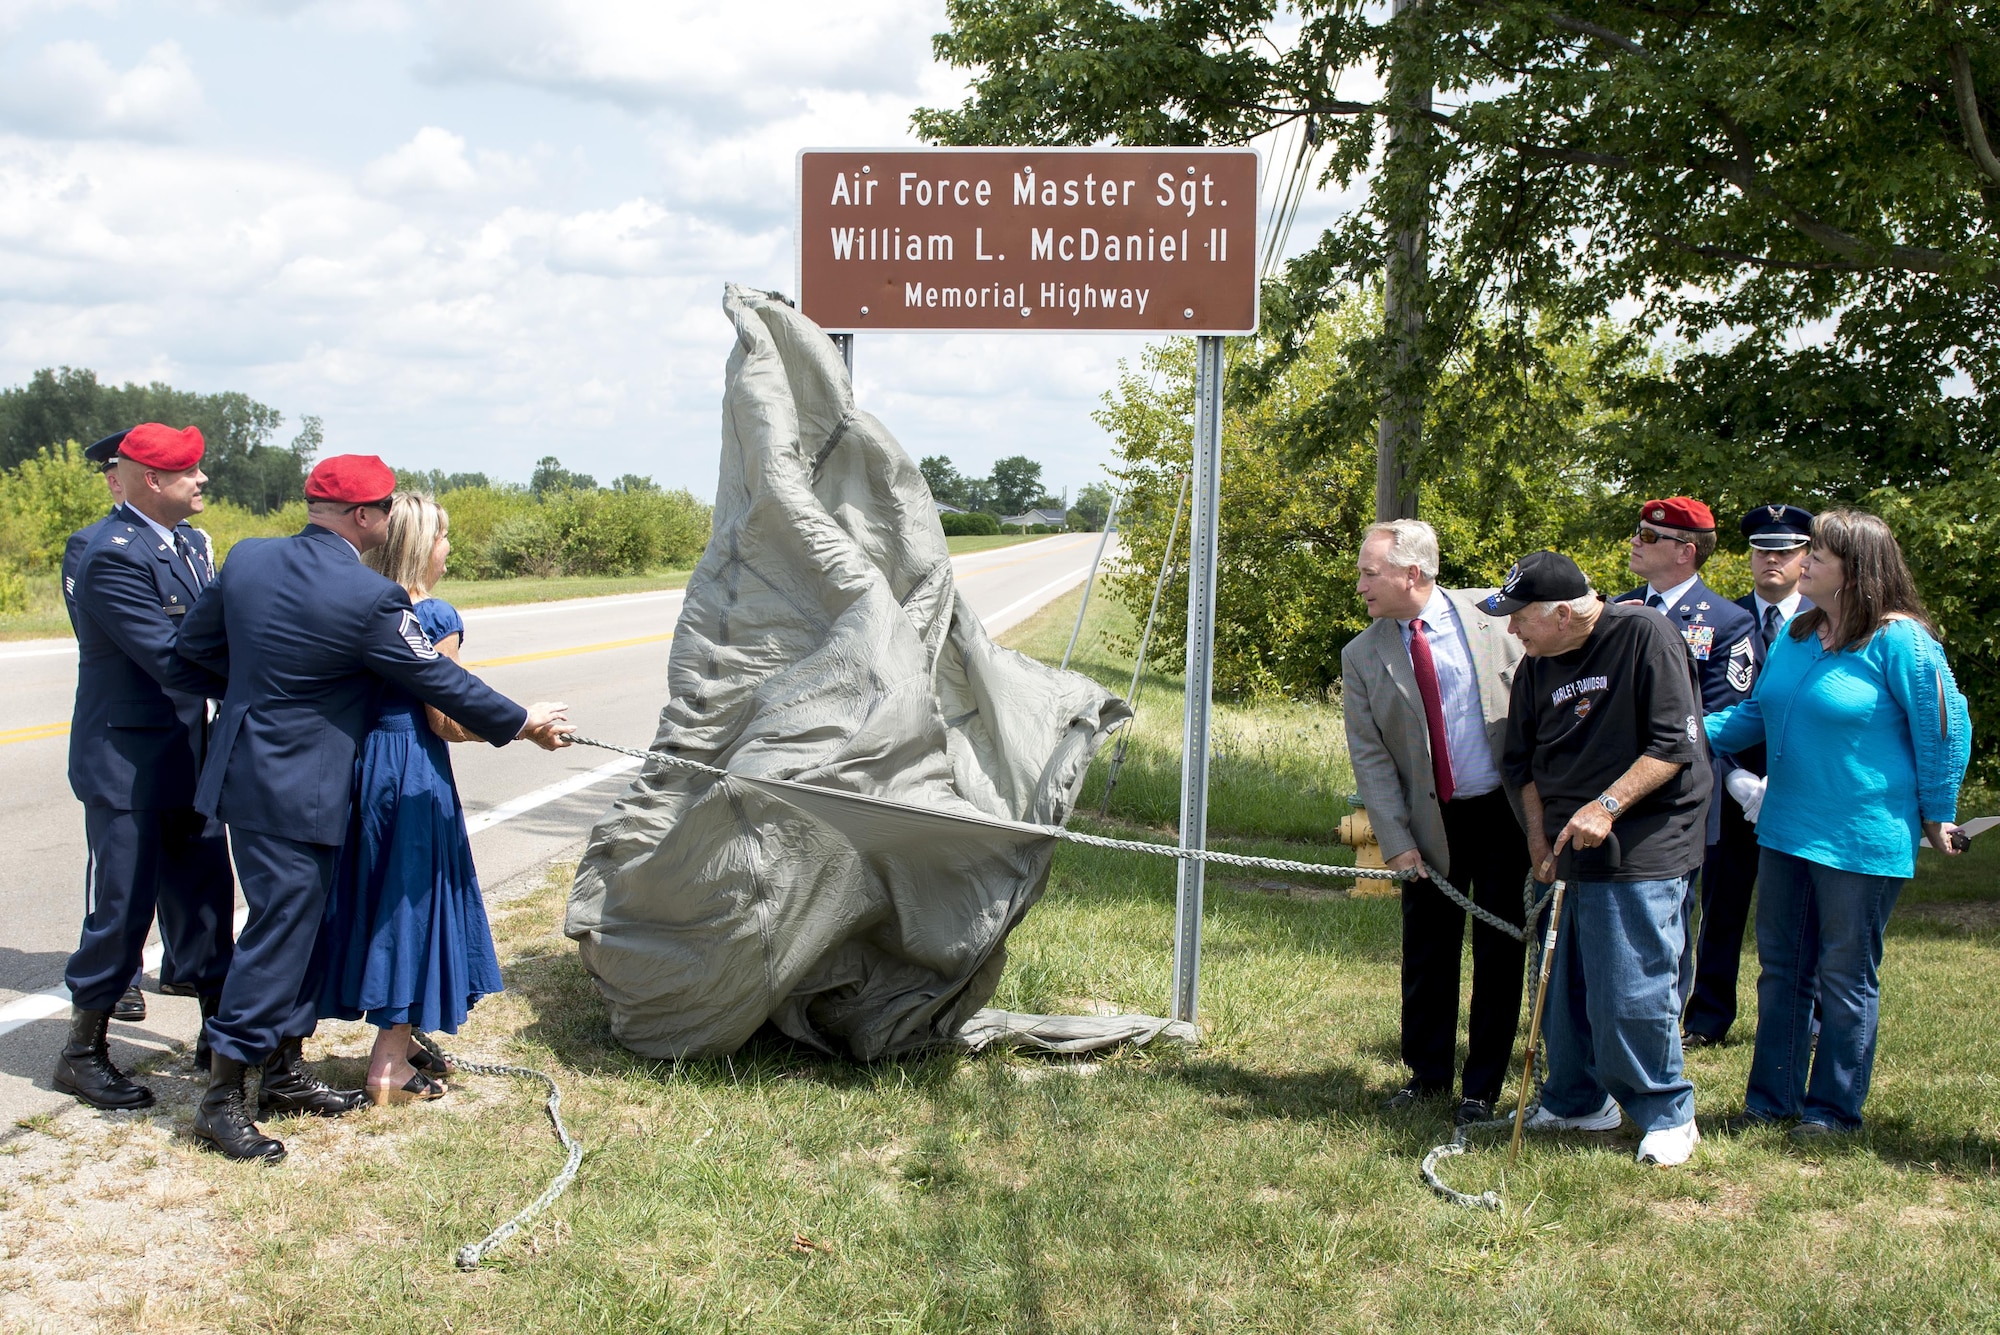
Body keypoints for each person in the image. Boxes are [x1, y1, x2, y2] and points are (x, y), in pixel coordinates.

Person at [177, 454, 573, 1163]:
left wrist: (265, 696)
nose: (389, 521)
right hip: (300, 785)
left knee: (300, 926)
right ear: (363, 517)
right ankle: (223, 1097)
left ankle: (286, 1073)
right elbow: (439, 680)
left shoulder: (247, 559)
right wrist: (523, 720)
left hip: (251, 771)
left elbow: (193, 653)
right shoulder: (367, 598)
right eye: (385, 508)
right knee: (279, 930)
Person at [1709, 510, 1970, 1141]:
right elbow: (1752, 716)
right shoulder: (1799, 633)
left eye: (1818, 557)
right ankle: (1771, 1102)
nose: (1805, 565)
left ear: (1855, 572)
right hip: (1786, 828)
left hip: (1861, 836)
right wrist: (1679, 737)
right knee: (1781, 969)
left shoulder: (1899, 640)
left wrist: (1938, 811)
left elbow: (1945, 725)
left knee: (1844, 977)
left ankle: (1831, 1111)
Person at [1482, 550, 1711, 1166]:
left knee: (1628, 984)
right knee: (1558, 985)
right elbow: (1524, 765)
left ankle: (1667, 1113)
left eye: (1519, 616)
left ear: (1562, 613)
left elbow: (1674, 745)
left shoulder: (1642, 635)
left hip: (1644, 838)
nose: (1510, 629)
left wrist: (1606, 805)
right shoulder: (1536, 665)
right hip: (1563, 840)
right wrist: (1536, 839)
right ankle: (1576, 1100)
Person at [56, 424, 236, 1110]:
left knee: (206, 898)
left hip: (187, 753)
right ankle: (82, 1051)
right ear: (150, 481)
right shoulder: (108, 553)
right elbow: (172, 655)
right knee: (123, 909)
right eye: (189, 471)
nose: (202, 480)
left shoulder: (189, 543)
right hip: (125, 761)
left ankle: (217, 1034)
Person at [317, 492, 508, 1105]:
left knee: (367, 898)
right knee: (413, 906)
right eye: (444, 538)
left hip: (357, 767)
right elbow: (447, 719)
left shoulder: (353, 605)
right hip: (410, 770)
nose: (449, 550)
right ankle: (389, 1064)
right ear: (422, 547)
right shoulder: (433, 614)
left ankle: (401, 1032)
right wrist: (528, 725)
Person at [1344, 520, 1532, 1127]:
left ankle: (1482, 1088)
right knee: (1428, 951)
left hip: (1504, 816)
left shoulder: (1498, 616)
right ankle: (1426, 1076)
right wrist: (1394, 843)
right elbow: (1370, 759)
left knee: (1500, 950)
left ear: (1412, 574)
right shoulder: (1363, 654)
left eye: (1370, 573)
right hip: (1430, 822)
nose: (1360, 586)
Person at [1613, 497, 1756, 1013]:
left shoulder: (1728, 621)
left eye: (1649, 537)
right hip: (1612, 788)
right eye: (1638, 531)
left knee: (1672, 911)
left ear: (1685, 552)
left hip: (1680, 794)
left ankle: (1664, 1019)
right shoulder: (1615, 609)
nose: (1636, 541)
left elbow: (1723, 713)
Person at [1681, 503, 1815, 1046]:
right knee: (1723, 903)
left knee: (1807, 909)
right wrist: (1734, 775)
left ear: (1806, 557)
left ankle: (1805, 1017)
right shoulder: (1721, 618)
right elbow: (1710, 710)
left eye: (1785, 552)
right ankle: (1709, 1016)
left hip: (1804, 786)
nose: (1772, 561)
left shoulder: (1824, 625)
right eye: (1763, 551)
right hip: (1729, 784)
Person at [62, 431, 148, 1027]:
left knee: (180, 867)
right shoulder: (91, 545)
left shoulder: (192, 542)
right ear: (114, 479)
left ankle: (189, 967)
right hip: (121, 732)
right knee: (119, 878)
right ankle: (122, 977)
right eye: (114, 473)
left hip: (180, 729)